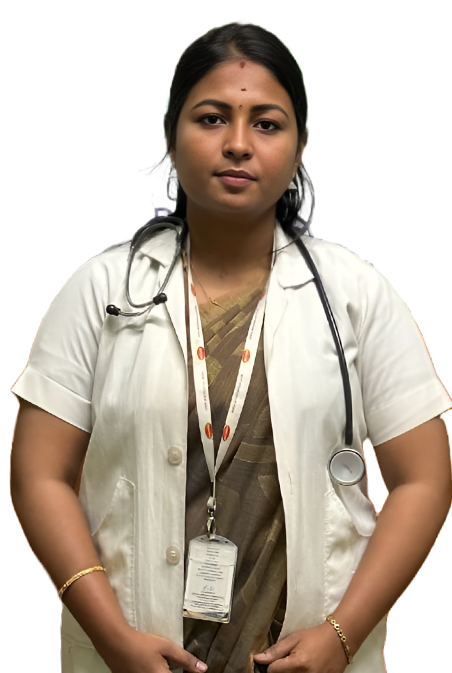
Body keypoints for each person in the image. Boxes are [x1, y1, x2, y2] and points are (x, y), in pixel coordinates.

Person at [10, 20, 452, 673]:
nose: (238, 144)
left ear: (300, 147)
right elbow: (38, 475)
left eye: (267, 124)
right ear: (171, 137)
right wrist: (111, 637)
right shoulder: (100, 291)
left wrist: (342, 635)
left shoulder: (358, 295)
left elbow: (423, 480)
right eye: (212, 118)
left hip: (311, 655)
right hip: (129, 653)